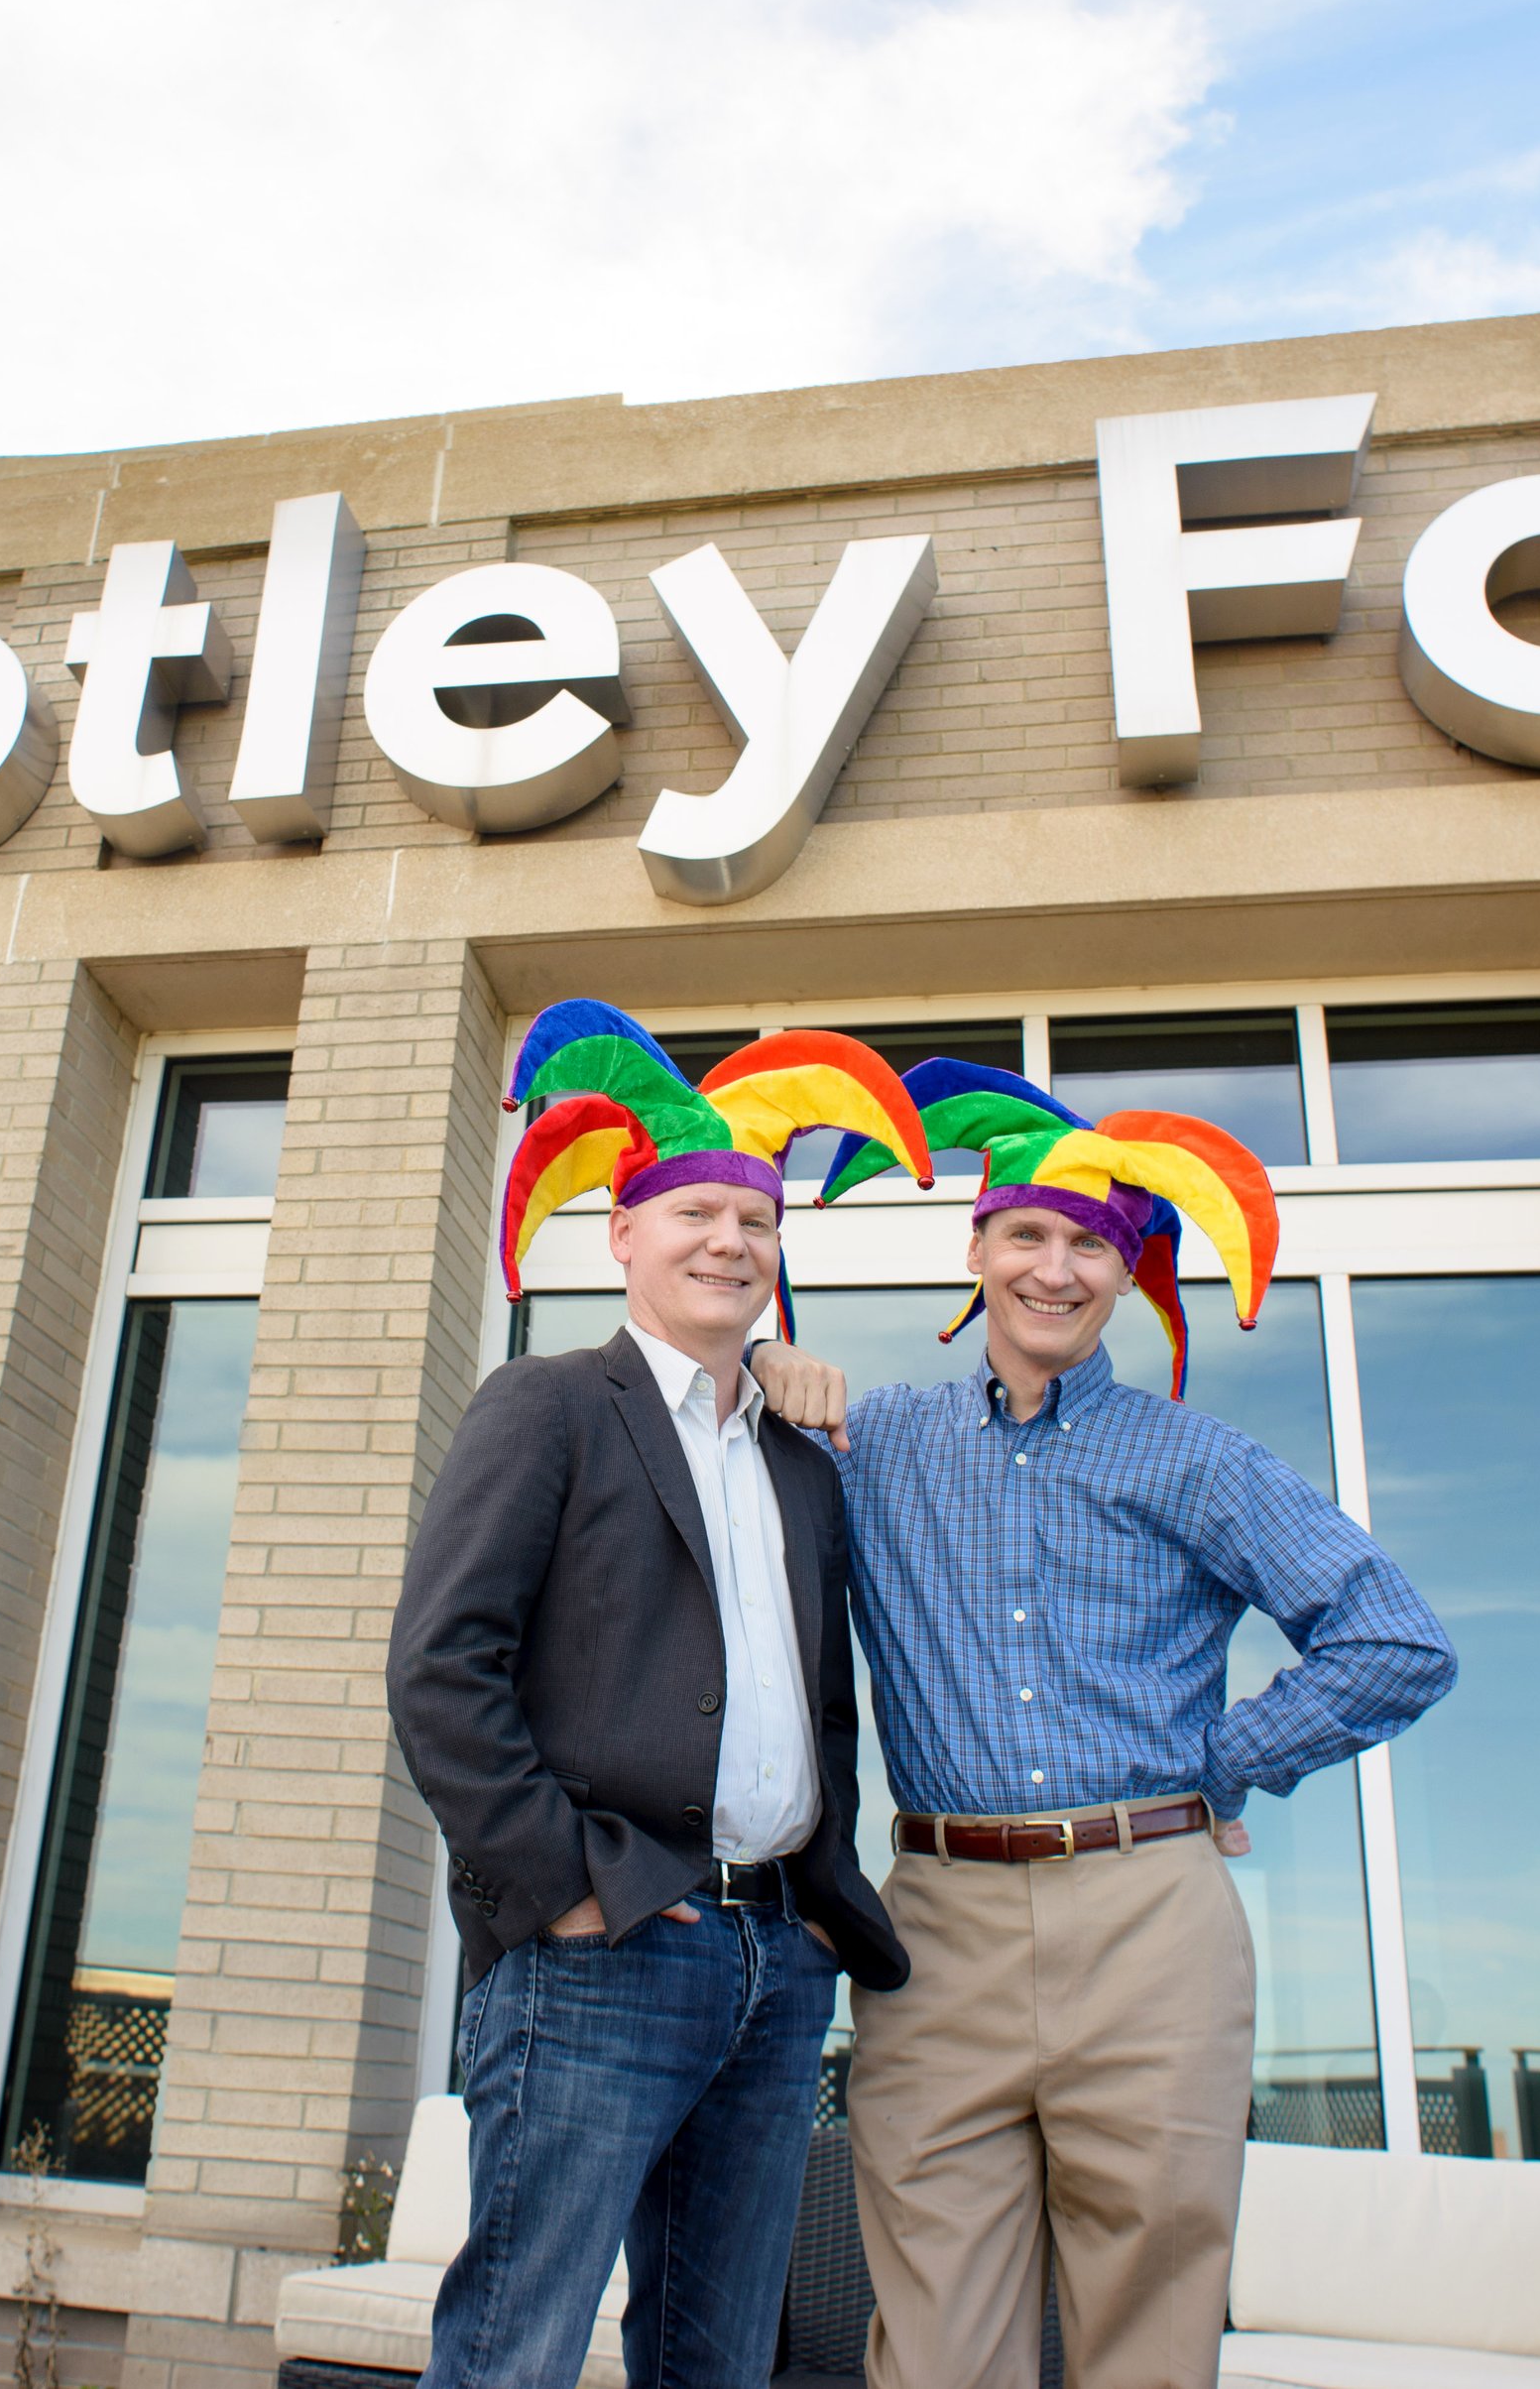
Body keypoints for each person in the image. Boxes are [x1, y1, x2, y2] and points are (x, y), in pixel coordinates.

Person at [750, 1060, 1457, 2389]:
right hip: (939, 1929)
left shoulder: (1194, 1457)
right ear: (979, 1247)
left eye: (1092, 1244)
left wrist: (1224, 1771)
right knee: (936, 2348)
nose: (1056, 1270)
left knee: (1150, 2335)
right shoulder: (880, 1440)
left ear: (1129, 1275)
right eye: (1029, 1234)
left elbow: (1395, 1641)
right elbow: (718, 1419)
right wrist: (764, 1358)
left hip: (1151, 1926)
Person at [390, 1001, 931, 2389]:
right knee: (516, 2345)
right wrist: (564, 1883)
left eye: (754, 1223)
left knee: (717, 2358)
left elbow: (813, 1698)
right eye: (693, 1212)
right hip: (604, 1949)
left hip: (774, 1959)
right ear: (623, 1235)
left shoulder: (806, 1453)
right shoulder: (548, 1404)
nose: (727, 1241)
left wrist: (810, 1916)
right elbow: (443, 1669)